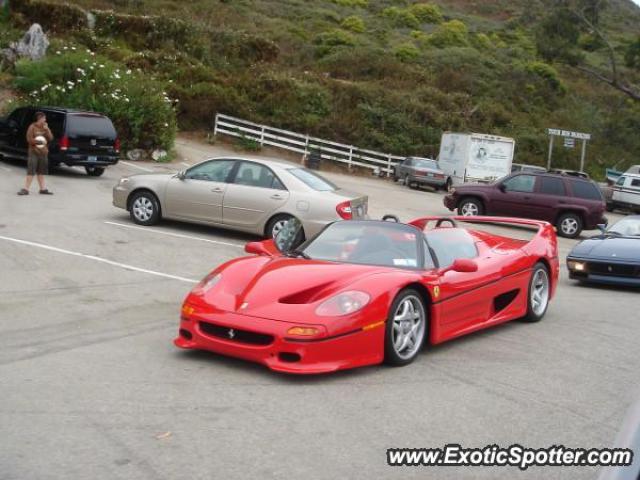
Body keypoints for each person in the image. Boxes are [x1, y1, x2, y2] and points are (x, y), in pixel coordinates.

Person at [18, 111, 54, 195]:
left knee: (41, 171)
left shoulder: (45, 127)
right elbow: (29, 139)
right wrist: (40, 142)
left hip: (43, 152)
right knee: (31, 170)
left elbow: (51, 138)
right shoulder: (32, 127)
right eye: (44, 118)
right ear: (40, 119)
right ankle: (25, 189)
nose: (45, 119)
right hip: (33, 152)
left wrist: (47, 130)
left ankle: (42, 189)